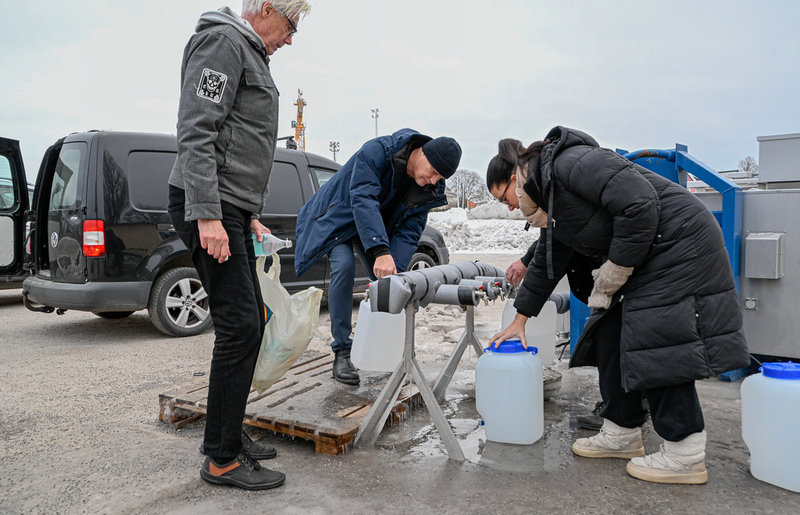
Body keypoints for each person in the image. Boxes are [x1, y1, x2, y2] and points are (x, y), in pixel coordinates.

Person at [489, 126, 749, 485]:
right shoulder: (549, 197)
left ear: (513, 176)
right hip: (647, 250)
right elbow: (549, 262)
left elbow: (639, 202)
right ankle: (622, 430)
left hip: (677, 241)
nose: (510, 207)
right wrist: (520, 319)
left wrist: (617, 266)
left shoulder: (569, 163)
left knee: (658, 340)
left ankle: (684, 453)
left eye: (504, 198)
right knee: (609, 332)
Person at [167, 0, 310, 490]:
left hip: (228, 206)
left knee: (249, 325)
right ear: (267, 7)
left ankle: (228, 436)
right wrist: (208, 214)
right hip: (207, 202)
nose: (291, 38)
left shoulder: (247, 51)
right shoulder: (223, 42)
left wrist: (243, 216)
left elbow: (236, 138)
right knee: (239, 326)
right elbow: (197, 128)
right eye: (290, 26)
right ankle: (221, 458)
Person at [294, 129, 462, 384]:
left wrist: (396, 269)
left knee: (389, 284)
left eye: (440, 177)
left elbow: (409, 231)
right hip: (340, 219)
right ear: (423, 153)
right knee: (344, 267)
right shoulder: (378, 151)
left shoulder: (429, 189)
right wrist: (380, 251)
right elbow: (363, 198)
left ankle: (384, 349)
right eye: (434, 171)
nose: (433, 180)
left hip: (372, 226)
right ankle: (341, 350)